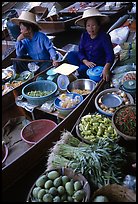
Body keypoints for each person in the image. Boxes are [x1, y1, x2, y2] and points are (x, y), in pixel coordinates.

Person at [66, 7, 115, 81]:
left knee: (81, 70)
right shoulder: (84, 35)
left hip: (97, 63)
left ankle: (81, 71)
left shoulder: (104, 37)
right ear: (85, 27)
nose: (90, 28)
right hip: (86, 60)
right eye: (88, 26)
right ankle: (81, 69)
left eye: (93, 25)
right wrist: (85, 61)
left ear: (98, 25)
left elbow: (110, 55)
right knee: (71, 55)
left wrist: (106, 69)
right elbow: (80, 51)